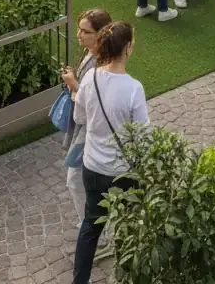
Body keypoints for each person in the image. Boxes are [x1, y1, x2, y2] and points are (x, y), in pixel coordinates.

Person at [71, 21, 147, 284]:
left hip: (93, 167)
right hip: (122, 172)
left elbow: (79, 116)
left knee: (90, 227)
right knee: (128, 225)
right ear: (127, 48)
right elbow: (143, 136)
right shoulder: (133, 88)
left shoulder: (90, 78)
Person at [61, 8, 114, 231]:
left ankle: (95, 228)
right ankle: (94, 223)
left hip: (92, 129)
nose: (79, 35)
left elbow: (94, 101)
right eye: (79, 29)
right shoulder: (91, 54)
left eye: (85, 31)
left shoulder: (103, 64)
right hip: (86, 126)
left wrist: (74, 85)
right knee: (84, 178)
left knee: (75, 178)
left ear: (100, 34)